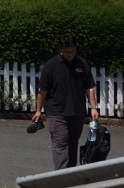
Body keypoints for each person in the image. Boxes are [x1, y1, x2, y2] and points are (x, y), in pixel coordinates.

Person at [31, 32, 100, 170]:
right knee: (60, 145)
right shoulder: (51, 66)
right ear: (60, 50)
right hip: (57, 113)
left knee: (73, 144)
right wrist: (38, 110)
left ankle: (70, 175)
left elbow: (89, 87)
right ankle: (61, 177)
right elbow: (42, 91)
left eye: (72, 51)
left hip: (77, 113)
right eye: (66, 52)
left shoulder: (82, 64)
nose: (70, 54)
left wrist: (93, 107)